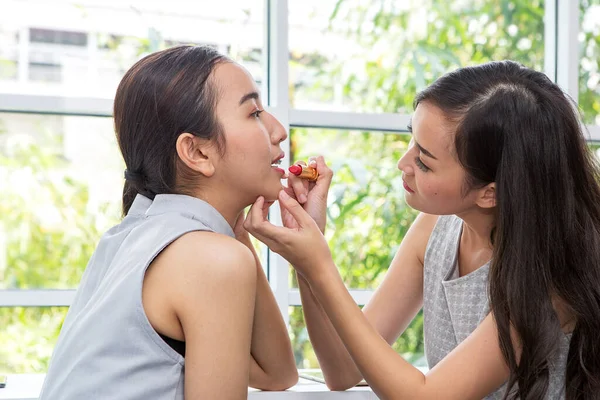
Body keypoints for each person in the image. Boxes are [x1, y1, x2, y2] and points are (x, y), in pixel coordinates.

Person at [245, 61, 600, 399]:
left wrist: (320, 265)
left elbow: (424, 397)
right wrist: (309, 254)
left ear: (490, 192)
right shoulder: (436, 230)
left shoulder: (553, 280)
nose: (404, 164)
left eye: (425, 162)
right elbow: (342, 369)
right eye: (412, 141)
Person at [39, 45, 298, 400]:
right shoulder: (209, 258)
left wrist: (238, 232)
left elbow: (277, 373)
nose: (279, 130)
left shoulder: (135, 235)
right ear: (197, 152)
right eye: (253, 113)